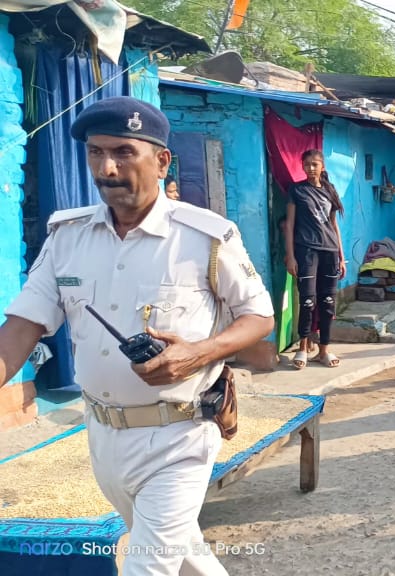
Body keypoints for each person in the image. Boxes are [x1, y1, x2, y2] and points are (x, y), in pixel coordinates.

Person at [0, 96, 274, 575]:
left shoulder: (205, 237)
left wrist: (198, 354)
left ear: (161, 159)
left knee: (146, 567)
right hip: (103, 435)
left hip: (180, 435)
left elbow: (258, 317)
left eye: (123, 152)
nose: (106, 167)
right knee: (187, 558)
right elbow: (22, 326)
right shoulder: (67, 237)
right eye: (95, 153)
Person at [284, 149, 347, 369]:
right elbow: (289, 224)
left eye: (315, 164)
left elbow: (334, 225)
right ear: (302, 166)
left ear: (322, 167)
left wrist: (341, 255)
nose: (311, 168)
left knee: (328, 302)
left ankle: (324, 350)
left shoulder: (330, 190)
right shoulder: (297, 190)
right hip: (306, 250)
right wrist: (290, 255)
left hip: (329, 251)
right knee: (308, 301)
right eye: (307, 164)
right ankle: (302, 348)